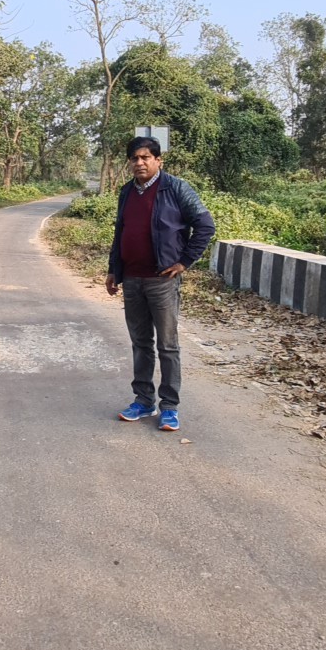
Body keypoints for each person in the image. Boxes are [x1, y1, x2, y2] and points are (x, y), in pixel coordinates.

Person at [105, 136, 216, 431]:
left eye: (145, 157)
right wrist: (113, 269)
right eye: (134, 158)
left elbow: (205, 226)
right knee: (141, 343)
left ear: (158, 161)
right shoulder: (127, 191)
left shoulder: (176, 188)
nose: (139, 162)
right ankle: (143, 401)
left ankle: (169, 407)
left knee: (167, 345)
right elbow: (120, 232)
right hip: (132, 279)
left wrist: (184, 262)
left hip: (162, 280)